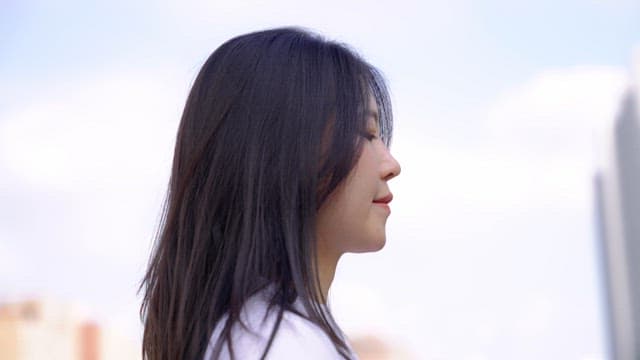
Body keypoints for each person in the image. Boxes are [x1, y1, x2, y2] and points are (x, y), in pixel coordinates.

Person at [139, 27, 401, 360]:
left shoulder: (269, 335)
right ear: (285, 154)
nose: (391, 164)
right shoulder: (279, 344)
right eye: (366, 133)